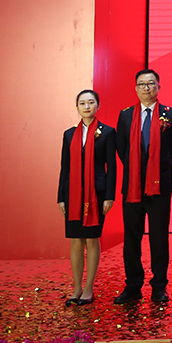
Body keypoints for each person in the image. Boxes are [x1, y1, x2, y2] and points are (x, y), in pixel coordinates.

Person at [114, 69, 172, 304]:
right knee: (131, 239)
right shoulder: (125, 116)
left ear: (158, 87)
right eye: (142, 84)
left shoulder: (171, 115)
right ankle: (133, 286)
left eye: (151, 83)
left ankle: (159, 287)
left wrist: (159, 168)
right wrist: (137, 169)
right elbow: (122, 149)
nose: (146, 88)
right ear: (136, 88)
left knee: (159, 238)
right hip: (132, 186)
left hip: (159, 187)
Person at [58, 89, 116, 306]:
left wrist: (109, 196)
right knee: (76, 240)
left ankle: (89, 288)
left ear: (98, 106)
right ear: (77, 107)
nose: (87, 106)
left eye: (91, 102)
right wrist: (60, 197)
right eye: (82, 103)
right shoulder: (68, 134)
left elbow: (112, 167)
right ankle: (76, 288)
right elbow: (65, 168)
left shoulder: (107, 132)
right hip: (72, 194)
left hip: (96, 193)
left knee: (91, 239)